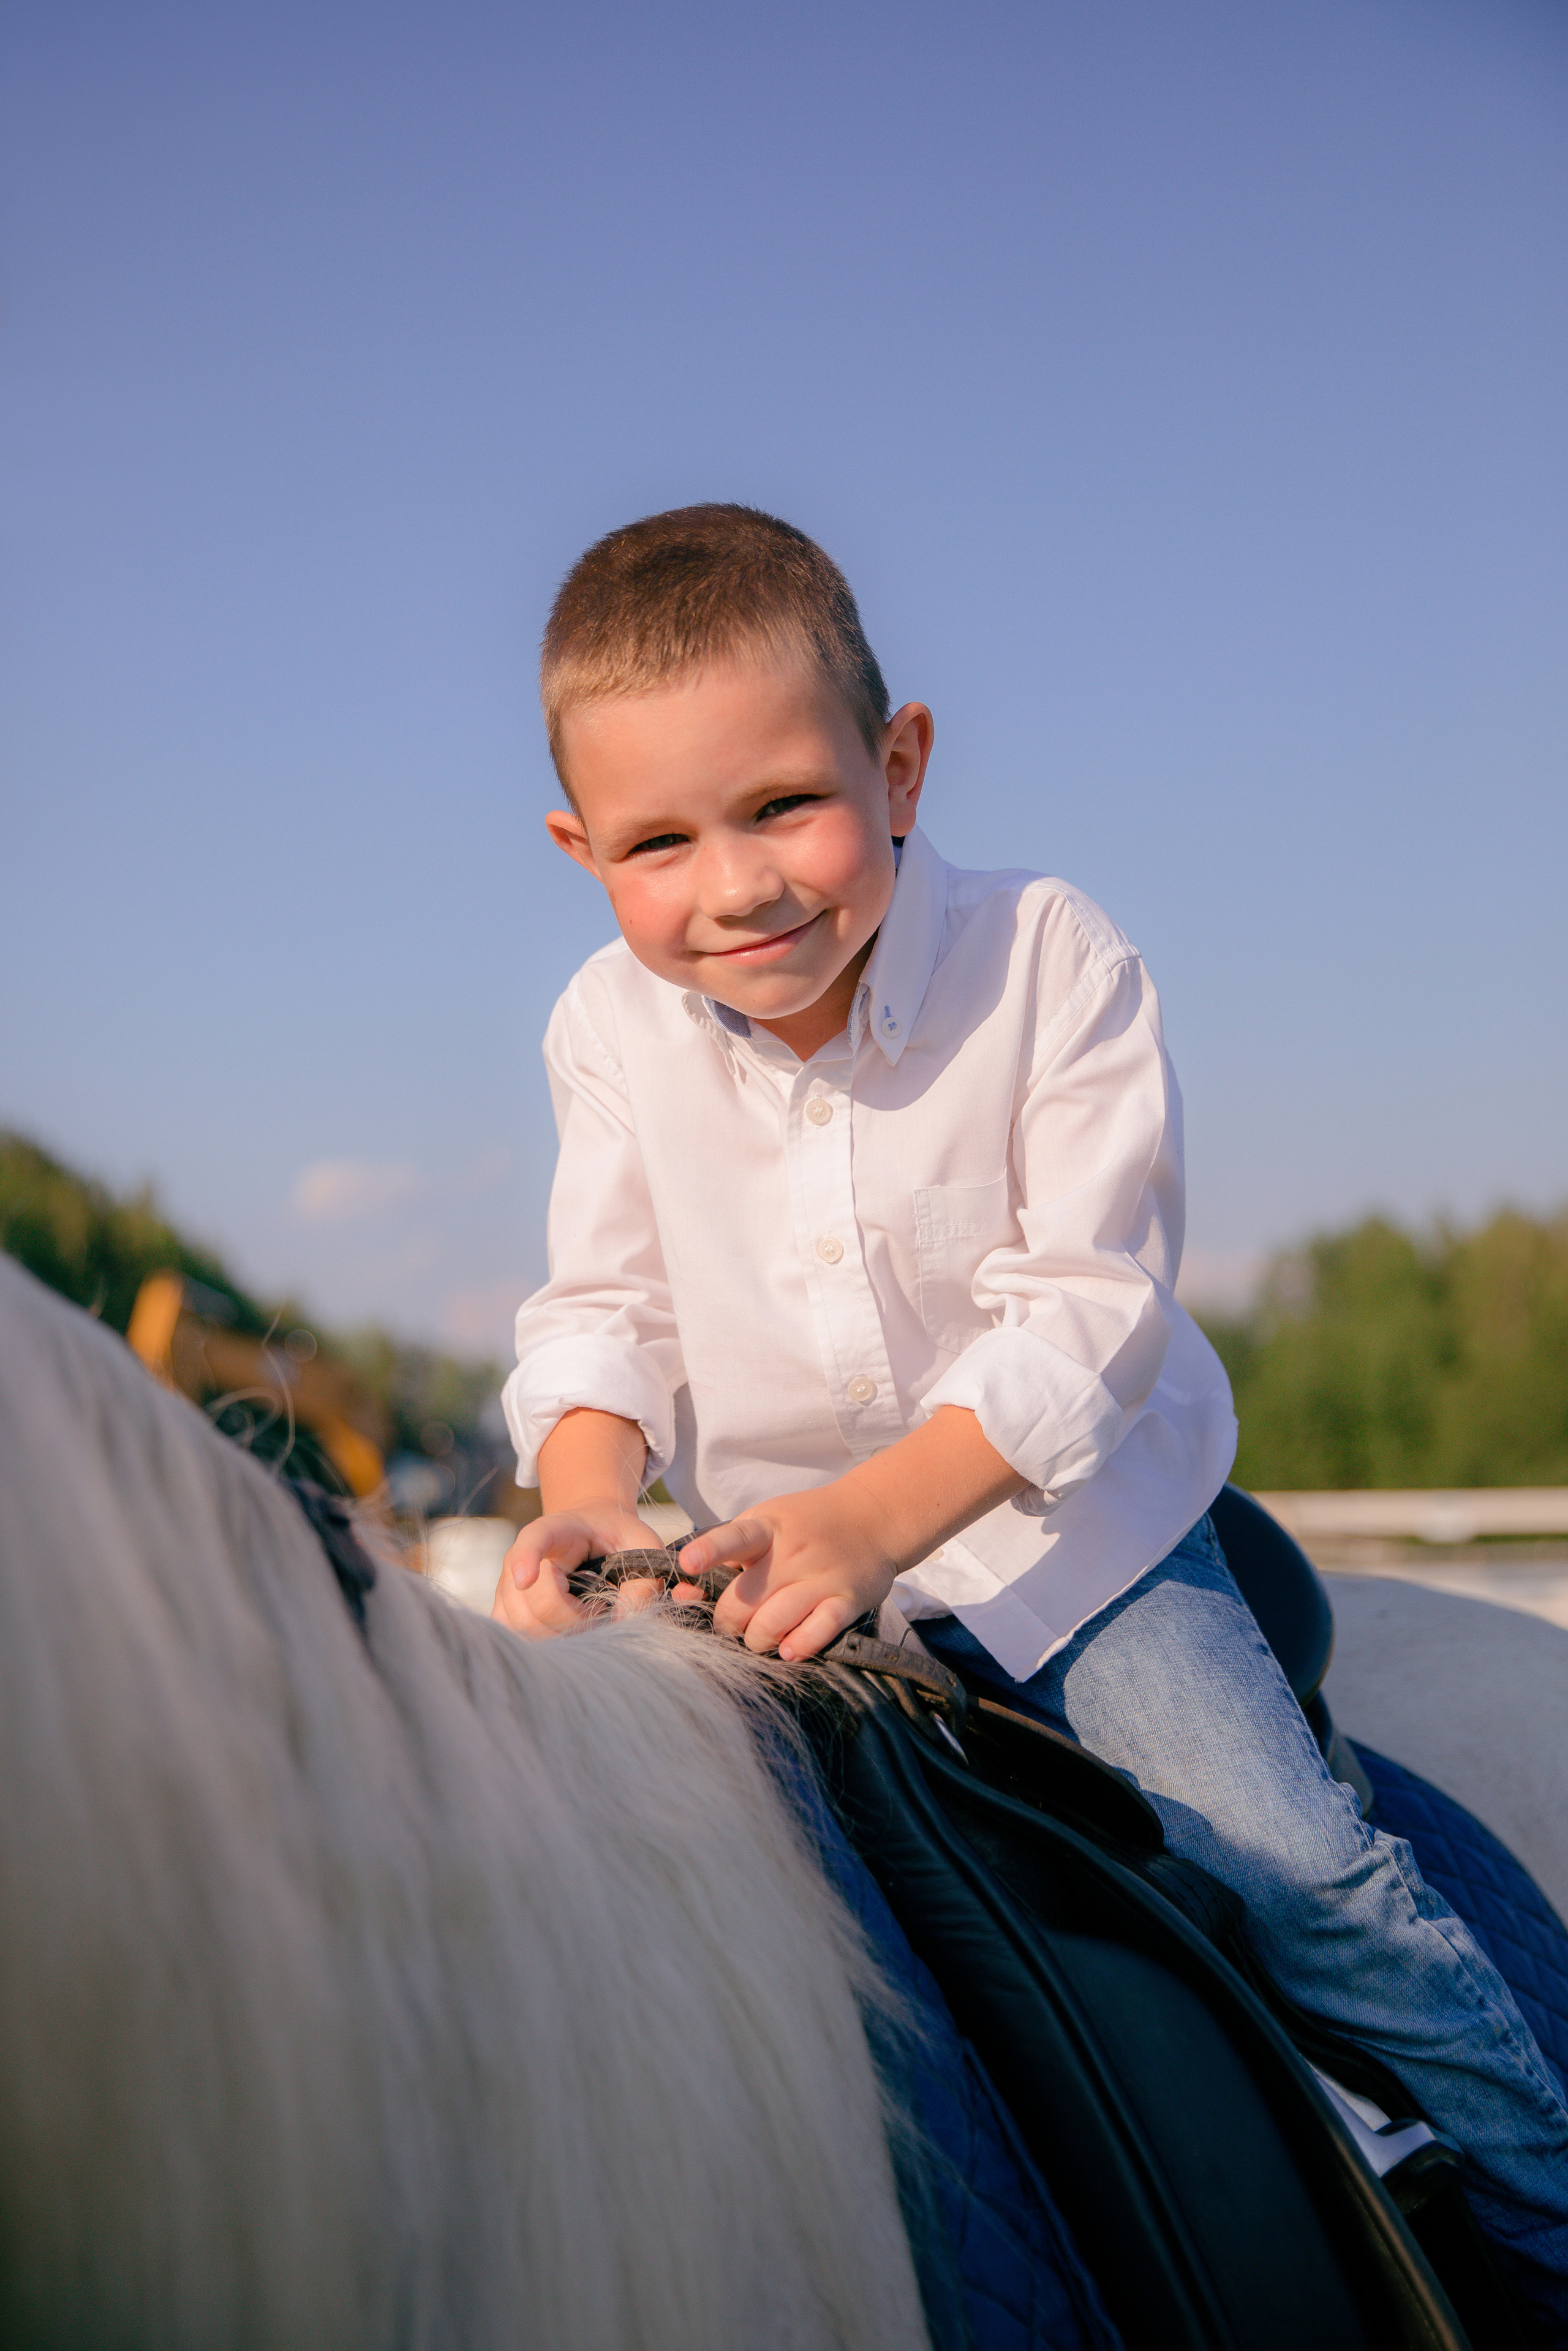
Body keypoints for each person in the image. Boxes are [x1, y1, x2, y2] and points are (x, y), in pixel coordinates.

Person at [496, 503, 1568, 2334]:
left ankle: (1542, 2212)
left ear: (898, 764)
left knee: (1290, 1862)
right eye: (659, 843)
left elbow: (1088, 1308)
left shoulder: (1051, 956)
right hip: (779, 1578)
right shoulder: (609, 1025)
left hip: (1071, 1547)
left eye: (782, 808)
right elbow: (609, 1306)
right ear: (581, 849)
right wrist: (590, 1490)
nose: (736, 887)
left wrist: (872, 1518)